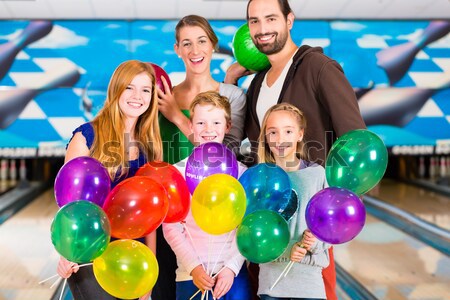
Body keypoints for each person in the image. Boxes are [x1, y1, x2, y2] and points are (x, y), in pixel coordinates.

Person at [224, 1, 367, 298]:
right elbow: (254, 153)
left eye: (271, 18)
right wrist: (231, 78)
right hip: (267, 230)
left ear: (289, 20)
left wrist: (328, 219)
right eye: (254, 21)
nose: (262, 29)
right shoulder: (258, 83)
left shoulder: (319, 68)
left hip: (309, 233)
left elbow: (356, 142)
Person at [154, 14, 247, 300]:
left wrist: (177, 118)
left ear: (212, 45)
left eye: (202, 41)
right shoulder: (162, 97)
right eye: (187, 43)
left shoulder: (233, 95)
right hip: (173, 206)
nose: (195, 50)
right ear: (177, 49)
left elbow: (224, 154)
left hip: (219, 220)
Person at [56, 60, 162, 300]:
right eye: (129, 88)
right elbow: (68, 205)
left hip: (132, 257)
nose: (138, 96)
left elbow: (150, 220)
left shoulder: (150, 148)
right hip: (89, 252)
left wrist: (150, 275)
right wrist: (65, 253)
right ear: (116, 90)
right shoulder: (86, 136)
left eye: (145, 90)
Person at [163, 91, 251, 300]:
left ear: (227, 126)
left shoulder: (242, 173)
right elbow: (171, 227)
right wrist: (194, 268)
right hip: (189, 276)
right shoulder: (177, 173)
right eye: (201, 123)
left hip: (232, 276)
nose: (208, 129)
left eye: (216, 123)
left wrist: (230, 268)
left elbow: (246, 225)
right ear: (191, 126)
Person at [257, 103, 330, 299]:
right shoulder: (260, 179)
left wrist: (313, 241)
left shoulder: (317, 175)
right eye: (273, 132)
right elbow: (254, 233)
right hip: (271, 286)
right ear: (265, 136)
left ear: (300, 134)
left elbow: (330, 229)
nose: (280, 139)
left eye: (288, 131)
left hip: (310, 286)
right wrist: (289, 248)